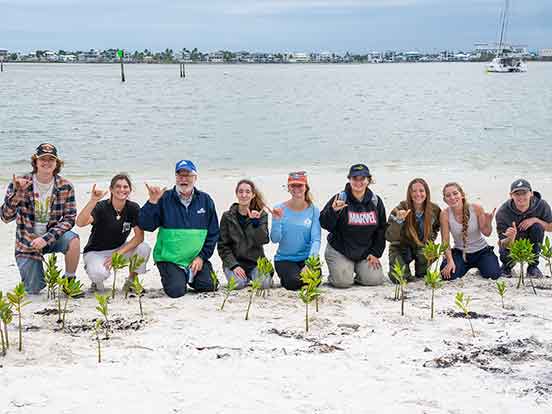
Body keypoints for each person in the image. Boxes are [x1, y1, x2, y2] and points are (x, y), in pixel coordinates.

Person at [1, 143, 80, 294]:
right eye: (43, 158)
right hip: (27, 241)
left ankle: (69, 280)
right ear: (35, 161)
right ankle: (31, 270)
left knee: (74, 240)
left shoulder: (66, 186)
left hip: (52, 237)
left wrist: (46, 238)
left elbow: (70, 218)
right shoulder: (19, 182)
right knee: (34, 288)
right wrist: (18, 193)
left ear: (57, 163)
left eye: (51, 159)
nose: (47, 162)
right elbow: (5, 217)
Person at [138, 160, 219, 298]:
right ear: (176, 177)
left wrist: (201, 257)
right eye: (180, 175)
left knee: (209, 286)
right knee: (176, 291)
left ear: (195, 178)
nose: (183, 179)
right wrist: (152, 202)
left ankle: (188, 274)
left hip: (195, 258)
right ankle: (178, 275)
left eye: (187, 175)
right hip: (170, 259)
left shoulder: (205, 200)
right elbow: (147, 225)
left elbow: (213, 233)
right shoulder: (164, 198)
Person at [76, 173, 151, 293]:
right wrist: (93, 201)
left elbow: (139, 237)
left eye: (125, 187)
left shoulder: (133, 208)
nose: (122, 189)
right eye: (118, 186)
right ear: (111, 189)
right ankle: (96, 282)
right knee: (98, 274)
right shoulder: (101, 207)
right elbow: (80, 223)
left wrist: (118, 254)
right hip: (96, 252)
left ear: (130, 190)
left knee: (143, 248)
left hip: (118, 249)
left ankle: (131, 281)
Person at [320, 164, 386, 288]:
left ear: (368, 180)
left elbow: (381, 229)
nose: (358, 182)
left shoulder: (375, 201)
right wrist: (333, 212)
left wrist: (376, 253)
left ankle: (357, 270)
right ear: (349, 179)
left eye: (363, 178)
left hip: (365, 252)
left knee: (374, 280)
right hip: (340, 249)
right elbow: (324, 224)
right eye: (355, 178)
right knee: (342, 282)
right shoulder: (340, 198)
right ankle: (343, 271)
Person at [270, 171, 321, 291]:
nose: (296, 188)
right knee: (293, 283)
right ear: (288, 188)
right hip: (285, 259)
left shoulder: (313, 210)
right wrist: (277, 220)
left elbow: (316, 239)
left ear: (306, 187)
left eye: (300, 185)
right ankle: (287, 277)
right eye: (293, 185)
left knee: (314, 281)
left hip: (306, 258)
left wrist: (309, 263)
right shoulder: (279, 208)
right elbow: (275, 239)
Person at [440, 182, 500, 280]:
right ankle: (457, 263)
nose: (452, 197)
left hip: (481, 251)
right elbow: (445, 241)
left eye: (455, 193)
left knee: (494, 275)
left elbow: (487, 233)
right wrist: (450, 261)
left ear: (462, 195)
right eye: (448, 195)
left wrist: (489, 222)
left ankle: (482, 266)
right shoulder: (445, 214)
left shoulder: (476, 209)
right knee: (447, 276)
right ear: (445, 200)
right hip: (460, 252)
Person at [218, 179, 270, 290]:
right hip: (236, 261)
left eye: (247, 192)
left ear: (253, 195)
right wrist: (234, 265)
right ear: (236, 194)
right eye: (240, 191)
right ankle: (244, 278)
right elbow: (223, 246)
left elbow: (264, 240)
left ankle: (254, 275)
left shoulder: (261, 214)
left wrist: (255, 223)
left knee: (264, 284)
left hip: (256, 262)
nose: (244, 195)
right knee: (238, 284)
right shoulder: (227, 216)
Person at [386, 178, 441, 282]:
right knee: (400, 278)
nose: (418, 194)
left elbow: (436, 228)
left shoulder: (434, 209)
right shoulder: (400, 209)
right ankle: (404, 269)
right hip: (401, 248)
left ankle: (421, 269)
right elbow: (389, 237)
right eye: (414, 191)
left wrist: (430, 239)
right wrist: (398, 221)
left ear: (427, 192)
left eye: (421, 190)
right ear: (409, 193)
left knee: (422, 274)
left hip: (421, 247)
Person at [496, 179, 552, 278]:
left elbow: (550, 227)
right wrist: (511, 237)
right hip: (513, 244)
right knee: (504, 246)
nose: (521, 197)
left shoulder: (542, 205)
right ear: (511, 195)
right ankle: (507, 267)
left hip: (532, 240)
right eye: (517, 194)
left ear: (531, 193)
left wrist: (535, 220)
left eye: (524, 193)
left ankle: (532, 267)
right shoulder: (503, 212)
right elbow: (502, 242)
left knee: (538, 227)